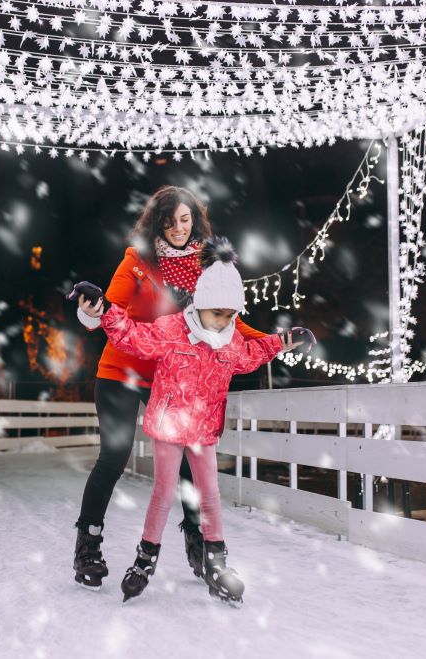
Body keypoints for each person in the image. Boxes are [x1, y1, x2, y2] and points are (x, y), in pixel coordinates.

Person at [82, 237, 301, 605]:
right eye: (217, 314)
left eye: (231, 315)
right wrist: (104, 308)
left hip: (203, 430)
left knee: (210, 494)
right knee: (164, 492)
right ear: (200, 304)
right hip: (169, 427)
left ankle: (216, 560)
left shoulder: (230, 341)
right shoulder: (172, 329)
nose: (223, 323)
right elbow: (133, 336)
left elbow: (253, 353)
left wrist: (285, 341)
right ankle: (145, 557)